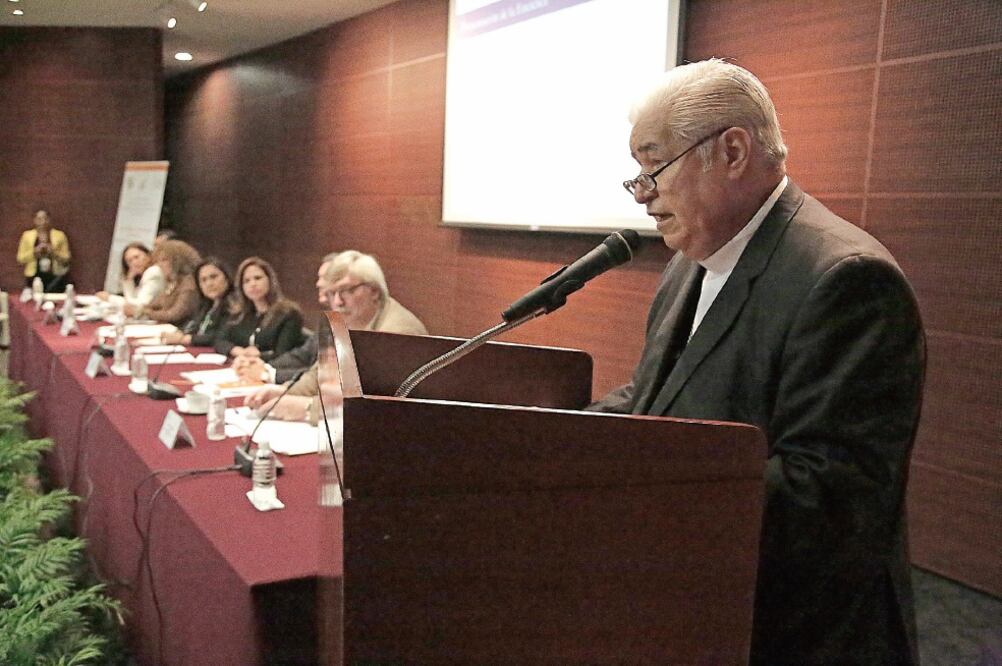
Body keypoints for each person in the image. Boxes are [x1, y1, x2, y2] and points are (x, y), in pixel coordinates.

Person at [587, 59, 925, 665]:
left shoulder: (846, 280)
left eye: (652, 166)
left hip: (797, 635)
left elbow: (828, 496)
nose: (643, 192)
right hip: (702, 610)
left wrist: (637, 486)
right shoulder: (691, 259)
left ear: (733, 151)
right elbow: (655, 392)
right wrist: (559, 439)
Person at [243, 250, 427, 422]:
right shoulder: (347, 321)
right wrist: (283, 392)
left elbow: (374, 407)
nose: (337, 302)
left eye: (347, 290)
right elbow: (320, 374)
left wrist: (307, 409)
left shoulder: (397, 332)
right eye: (332, 293)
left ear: (374, 291)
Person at [233, 252, 339, 384]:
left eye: (326, 277)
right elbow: (301, 356)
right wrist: (264, 366)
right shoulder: (331, 319)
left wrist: (268, 374)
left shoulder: (288, 312)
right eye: (246, 281)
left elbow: (325, 376)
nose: (318, 283)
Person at [214, 257, 304, 361]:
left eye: (257, 278)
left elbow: (283, 355)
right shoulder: (239, 314)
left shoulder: (288, 314)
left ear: (270, 280)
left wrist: (255, 357)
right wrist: (238, 351)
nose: (252, 284)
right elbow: (219, 340)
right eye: (246, 281)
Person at [160, 257, 234, 347]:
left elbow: (218, 337)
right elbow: (193, 327)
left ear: (227, 278)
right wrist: (180, 333)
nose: (209, 284)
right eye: (203, 280)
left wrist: (184, 339)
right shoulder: (207, 305)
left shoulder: (233, 306)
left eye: (214, 277)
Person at [132, 239, 201, 326]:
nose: (160, 265)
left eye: (164, 260)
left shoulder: (189, 284)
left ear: (178, 260)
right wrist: (142, 308)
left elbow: (173, 315)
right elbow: (157, 302)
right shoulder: (174, 282)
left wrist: (146, 312)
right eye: (158, 261)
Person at [96, 242, 165, 309]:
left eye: (136, 257)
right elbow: (130, 300)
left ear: (148, 256)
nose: (134, 262)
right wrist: (129, 279)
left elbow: (140, 305)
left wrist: (110, 298)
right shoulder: (142, 276)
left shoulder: (153, 272)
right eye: (129, 261)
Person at [16, 210, 71, 292]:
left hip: (55, 277)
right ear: (34, 220)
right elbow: (20, 259)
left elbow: (67, 259)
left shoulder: (60, 235)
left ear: (49, 220)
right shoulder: (27, 236)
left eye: (45, 219)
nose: (43, 222)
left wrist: (53, 252)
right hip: (33, 277)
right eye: (39, 219)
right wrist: (34, 252)